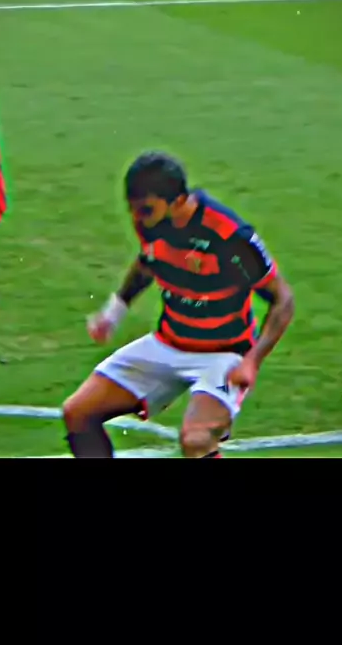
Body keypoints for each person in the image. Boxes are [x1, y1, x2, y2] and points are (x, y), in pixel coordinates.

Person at [62, 152, 294, 458]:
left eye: (146, 209)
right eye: (132, 209)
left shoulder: (229, 235)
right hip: (168, 343)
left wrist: (252, 360)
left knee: (196, 440)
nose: (137, 219)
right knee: (77, 413)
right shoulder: (151, 223)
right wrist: (113, 312)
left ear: (179, 201)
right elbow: (149, 261)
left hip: (224, 355)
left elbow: (283, 300)